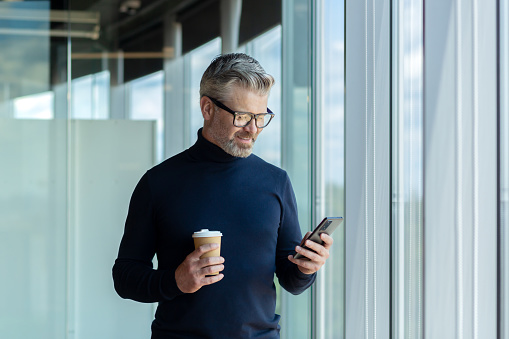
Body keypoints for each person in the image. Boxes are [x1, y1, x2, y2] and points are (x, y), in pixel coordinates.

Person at [112, 53, 333, 339]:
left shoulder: (276, 182)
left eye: (260, 117)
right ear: (207, 108)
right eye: (242, 117)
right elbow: (125, 277)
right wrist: (175, 280)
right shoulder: (158, 183)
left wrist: (307, 267)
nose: (252, 130)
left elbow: (291, 281)